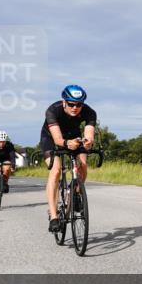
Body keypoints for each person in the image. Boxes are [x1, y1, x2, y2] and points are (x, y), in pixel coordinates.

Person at [40, 85, 97, 232]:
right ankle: (53, 216)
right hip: (52, 138)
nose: (75, 107)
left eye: (79, 104)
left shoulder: (89, 112)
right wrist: (66, 144)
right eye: (71, 104)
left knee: (83, 164)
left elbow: (89, 133)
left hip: (73, 135)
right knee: (56, 170)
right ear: (64, 101)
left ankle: (75, 192)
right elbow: (58, 139)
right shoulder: (53, 110)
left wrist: (89, 142)